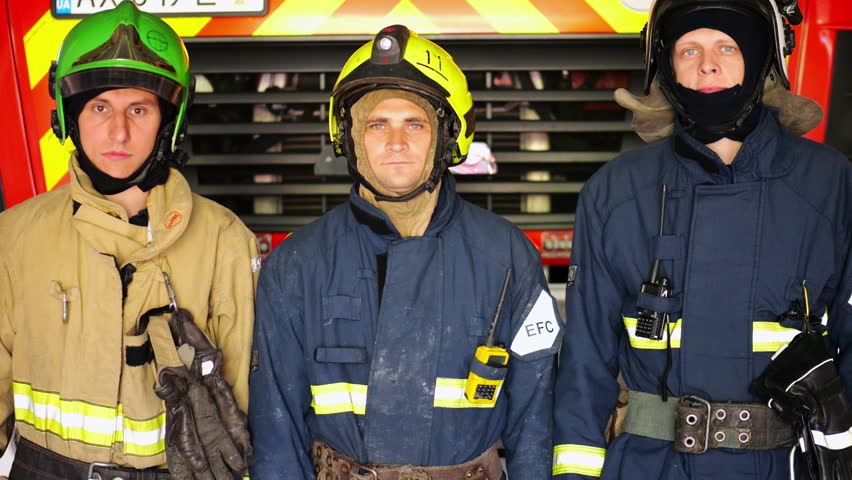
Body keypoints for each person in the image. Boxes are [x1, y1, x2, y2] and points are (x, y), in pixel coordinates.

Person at [552, 0, 852, 478]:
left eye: (727, 46)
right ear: (665, 66)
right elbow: (584, 367)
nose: (707, 63)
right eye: (688, 49)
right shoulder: (613, 193)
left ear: (762, 59)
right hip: (650, 466)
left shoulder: (832, 187)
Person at [249, 24, 562, 480]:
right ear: (349, 138)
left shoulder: (507, 257)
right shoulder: (297, 266)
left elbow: (536, 426)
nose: (396, 143)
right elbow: (278, 438)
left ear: (447, 135)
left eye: (414, 123)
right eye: (377, 125)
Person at [0, 2, 258, 479]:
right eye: (100, 108)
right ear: (69, 115)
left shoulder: (225, 240)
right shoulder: (14, 237)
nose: (118, 131)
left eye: (138, 109)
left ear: (169, 121)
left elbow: (243, 404)